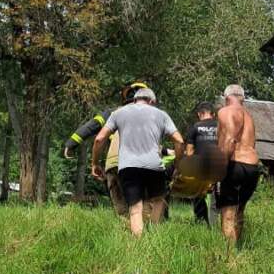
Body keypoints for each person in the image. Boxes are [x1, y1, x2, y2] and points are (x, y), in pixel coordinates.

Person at [91, 87, 183, 237]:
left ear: (134, 100)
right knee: (159, 201)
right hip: (154, 167)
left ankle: (139, 244)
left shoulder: (118, 113)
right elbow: (179, 141)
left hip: (128, 167)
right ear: (152, 101)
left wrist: (95, 163)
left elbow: (99, 139)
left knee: (135, 209)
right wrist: (178, 166)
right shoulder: (161, 115)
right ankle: (153, 232)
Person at [63, 80, 150, 218]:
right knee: (144, 211)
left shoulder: (113, 112)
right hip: (141, 165)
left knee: (121, 211)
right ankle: (145, 236)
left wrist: (71, 143)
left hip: (115, 164)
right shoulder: (153, 115)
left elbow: (92, 126)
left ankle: (124, 234)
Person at [216, 84, 260, 245]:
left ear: (226, 97)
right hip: (252, 168)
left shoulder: (226, 111)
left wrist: (221, 166)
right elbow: (252, 144)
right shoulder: (249, 117)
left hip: (234, 164)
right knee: (240, 211)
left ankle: (230, 257)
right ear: (242, 98)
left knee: (228, 213)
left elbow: (229, 139)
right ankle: (238, 249)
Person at [184, 101, 222, 223]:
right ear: (213, 114)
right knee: (217, 201)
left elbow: (189, 152)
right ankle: (217, 228)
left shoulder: (195, 127)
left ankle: (202, 223)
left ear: (200, 114)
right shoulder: (222, 127)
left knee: (197, 196)